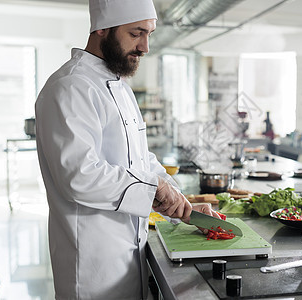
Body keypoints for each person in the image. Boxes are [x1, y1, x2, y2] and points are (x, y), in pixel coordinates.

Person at [35, 0, 219, 299]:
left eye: (149, 33)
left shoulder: (120, 84)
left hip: (129, 253)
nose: (145, 47)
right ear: (102, 29)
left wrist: (181, 205)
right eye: (136, 33)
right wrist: (154, 188)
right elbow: (79, 176)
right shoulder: (70, 87)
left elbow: (140, 159)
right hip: (93, 268)